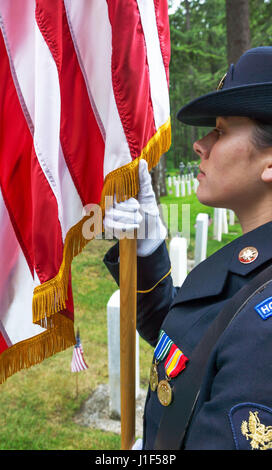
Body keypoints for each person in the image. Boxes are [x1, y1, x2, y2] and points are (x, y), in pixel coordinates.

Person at [103, 47, 272, 450]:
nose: (200, 144)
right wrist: (147, 246)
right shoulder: (249, 268)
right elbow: (190, 333)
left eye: (222, 130)